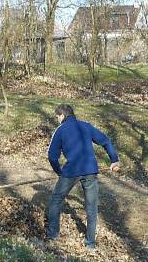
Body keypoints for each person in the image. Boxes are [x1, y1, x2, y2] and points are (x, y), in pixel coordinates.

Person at [47, 104, 119, 249]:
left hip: (71, 171)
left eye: (57, 117)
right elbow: (105, 141)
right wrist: (114, 159)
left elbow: (52, 156)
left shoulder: (60, 130)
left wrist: (59, 171)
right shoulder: (85, 126)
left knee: (56, 199)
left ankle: (53, 234)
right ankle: (90, 243)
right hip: (90, 170)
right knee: (91, 206)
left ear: (62, 115)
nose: (57, 120)